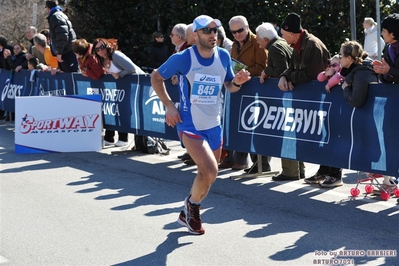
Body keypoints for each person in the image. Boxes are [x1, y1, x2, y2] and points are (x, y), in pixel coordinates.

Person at [151, 15, 251, 235]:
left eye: (215, 30)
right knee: (209, 171)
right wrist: (169, 105)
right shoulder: (184, 58)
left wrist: (237, 82)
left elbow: (229, 86)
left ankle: (186, 209)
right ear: (195, 35)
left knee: (209, 176)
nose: (212, 34)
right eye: (207, 31)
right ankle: (193, 208)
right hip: (190, 124)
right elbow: (155, 77)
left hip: (214, 125)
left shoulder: (224, 56)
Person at [275, 12, 330, 182]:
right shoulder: (295, 46)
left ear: (292, 33)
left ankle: (329, 171)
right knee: (306, 134)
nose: (283, 39)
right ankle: (315, 171)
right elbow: (291, 68)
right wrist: (284, 76)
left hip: (320, 99)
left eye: (284, 35)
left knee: (321, 136)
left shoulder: (312, 45)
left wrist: (291, 77)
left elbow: (312, 74)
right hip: (307, 99)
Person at [221, 15, 268, 172]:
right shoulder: (234, 44)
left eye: (240, 31)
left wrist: (243, 72)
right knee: (240, 125)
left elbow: (263, 67)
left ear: (247, 27)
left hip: (256, 90)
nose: (236, 35)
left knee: (257, 126)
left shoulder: (257, 42)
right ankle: (239, 160)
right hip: (240, 90)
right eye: (233, 32)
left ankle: (261, 164)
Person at [93, 38, 145, 147]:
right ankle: (117, 138)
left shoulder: (116, 55)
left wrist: (120, 74)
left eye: (102, 47)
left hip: (137, 85)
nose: (100, 51)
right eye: (97, 49)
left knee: (130, 111)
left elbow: (132, 69)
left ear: (107, 46)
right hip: (123, 87)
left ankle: (130, 140)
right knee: (117, 110)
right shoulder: (103, 59)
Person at [45, 0, 78, 72]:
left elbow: (62, 36)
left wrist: (59, 52)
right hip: (66, 51)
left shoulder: (55, 17)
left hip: (66, 53)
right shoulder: (59, 15)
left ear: (48, 8)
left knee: (70, 77)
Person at [373, 13, 399, 84]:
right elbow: (386, 80)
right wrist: (382, 71)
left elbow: (390, 71)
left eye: (384, 31)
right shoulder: (388, 48)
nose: (382, 34)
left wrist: (389, 70)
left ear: (392, 34)